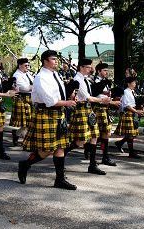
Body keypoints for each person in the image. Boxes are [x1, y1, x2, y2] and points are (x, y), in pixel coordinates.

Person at [18, 50, 78, 190]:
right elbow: (49, 100)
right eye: (53, 59)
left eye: (56, 59)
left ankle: (59, 180)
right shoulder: (41, 77)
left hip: (58, 114)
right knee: (46, 150)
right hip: (46, 113)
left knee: (60, 147)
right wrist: (67, 103)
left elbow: (58, 94)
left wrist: (69, 95)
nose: (56, 61)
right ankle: (25, 164)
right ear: (45, 61)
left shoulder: (55, 74)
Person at [66, 58, 112, 175]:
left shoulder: (86, 79)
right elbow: (87, 97)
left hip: (88, 109)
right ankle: (61, 154)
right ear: (81, 67)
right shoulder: (78, 80)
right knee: (80, 142)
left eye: (91, 67)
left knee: (94, 137)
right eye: (88, 67)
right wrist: (102, 100)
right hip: (81, 109)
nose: (90, 69)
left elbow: (92, 95)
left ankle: (92, 165)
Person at [92, 63, 121, 166]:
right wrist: (112, 102)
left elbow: (108, 94)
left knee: (105, 133)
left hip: (106, 109)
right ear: (99, 71)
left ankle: (105, 156)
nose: (106, 72)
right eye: (104, 70)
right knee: (98, 134)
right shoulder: (95, 81)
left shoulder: (106, 82)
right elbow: (97, 94)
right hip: (99, 109)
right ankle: (93, 153)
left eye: (107, 70)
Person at [114, 76, 144, 158]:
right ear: (128, 84)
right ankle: (131, 153)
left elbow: (135, 102)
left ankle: (119, 143)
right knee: (130, 134)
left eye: (135, 82)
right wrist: (136, 111)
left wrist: (140, 107)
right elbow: (127, 105)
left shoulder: (133, 91)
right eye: (133, 82)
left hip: (133, 113)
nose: (135, 84)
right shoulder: (126, 92)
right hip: (127, 113)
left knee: (131, 134)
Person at [9, 58, 34, 145]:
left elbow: (31, 85)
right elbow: (24, 88)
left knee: (28, 123)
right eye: (26, 65)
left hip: (29, 99)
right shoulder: (17, 75)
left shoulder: (28, 74)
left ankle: (16, 134)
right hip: (22, 99)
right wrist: (34, 86)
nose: (28, 67)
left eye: (28, 65)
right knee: (26, 124)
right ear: (20, 65)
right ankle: (26, 143)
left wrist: (31, 86)